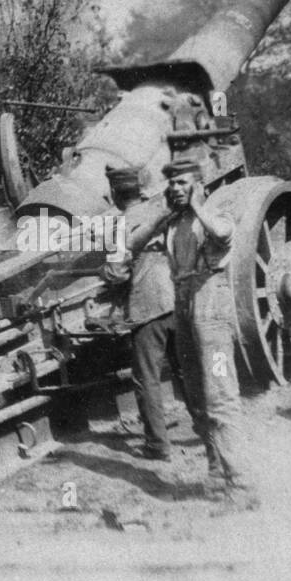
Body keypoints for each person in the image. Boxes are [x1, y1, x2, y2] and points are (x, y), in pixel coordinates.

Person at [133, 157, 243, 489]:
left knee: (220, 394)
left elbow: (223, 233)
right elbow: (130, 244)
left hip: (211, 308)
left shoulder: (215, 212)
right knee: (196, 393)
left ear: (199, 185)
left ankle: (240, 480)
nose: (176, 188)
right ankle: (215, 470)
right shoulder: (173, 222)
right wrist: (159, 217)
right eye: (172, 184)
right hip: (184, 306)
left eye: (183, 182)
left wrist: (198, 205)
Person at [103, 166, 184, 461]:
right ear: (139, 190)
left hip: (147, 308)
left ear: (114, 194)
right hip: (176, 299)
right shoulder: (158, 212)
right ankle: (207, 431)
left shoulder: (121, 226)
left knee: (147, 378)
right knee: (185, 368)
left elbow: (116, 273)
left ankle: (157, 445)